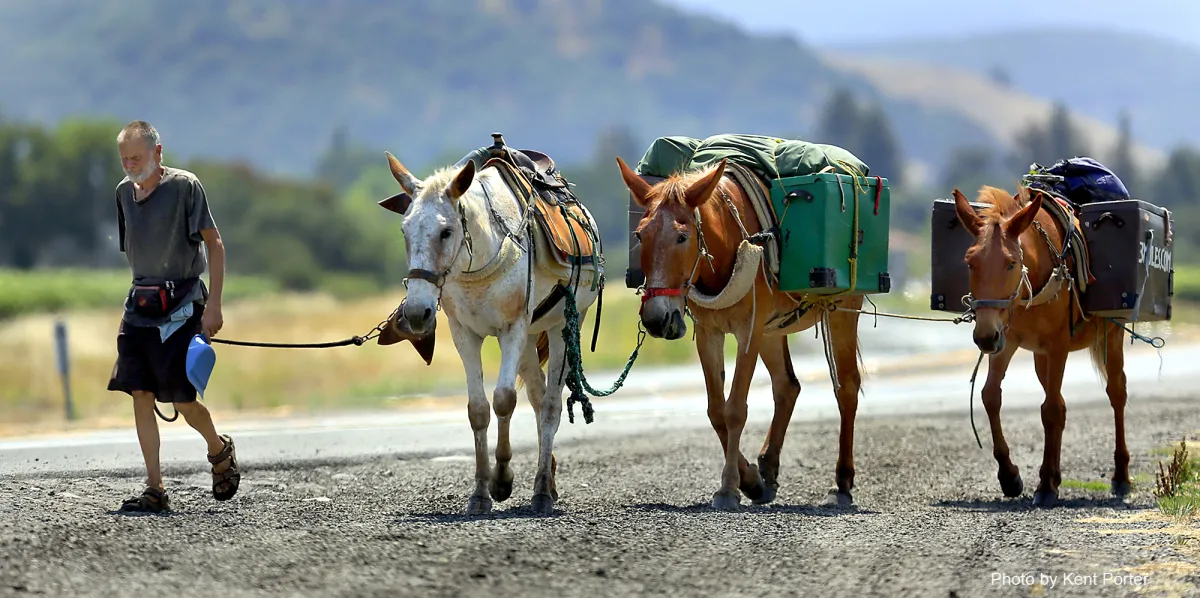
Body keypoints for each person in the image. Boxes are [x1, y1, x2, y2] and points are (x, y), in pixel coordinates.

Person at [106, 120, 240, 513]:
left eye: (137, 157)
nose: (130, 165)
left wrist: (214, 305)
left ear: (158, 152)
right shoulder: (123, 193)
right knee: (140, 393)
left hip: (182, 306)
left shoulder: (185, 187)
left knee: (183, 400)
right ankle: (155, 488)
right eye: (125, 159)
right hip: (139, 308)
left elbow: (215, 245)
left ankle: (219, 451)